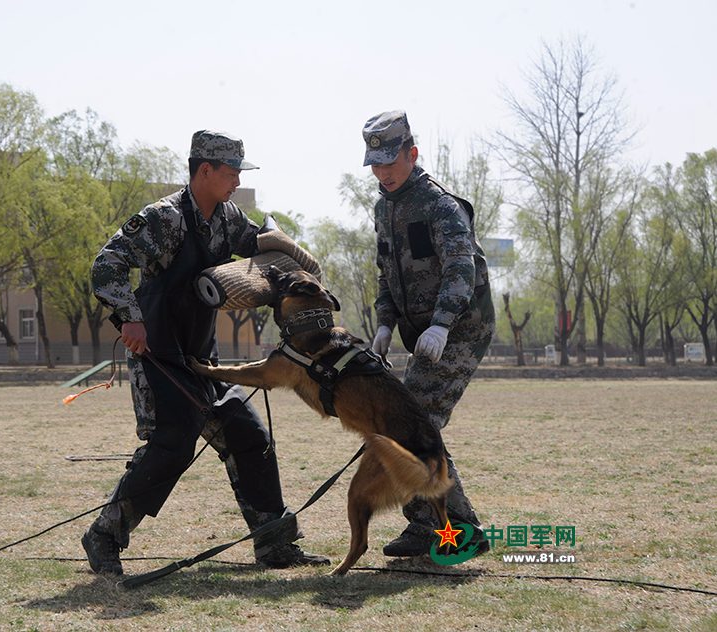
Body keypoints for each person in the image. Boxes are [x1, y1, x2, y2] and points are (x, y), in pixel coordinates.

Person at [82, 130, 329, 575]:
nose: (236, 180)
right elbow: (107, 263)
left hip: (202, 357)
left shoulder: (227, 217)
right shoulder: (163, 218)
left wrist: (285, 253)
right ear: (205, 170)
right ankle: (103, 536)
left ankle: (273, 545)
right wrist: (129, 316)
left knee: (249, 436)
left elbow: (257, 246)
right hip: (159, 353)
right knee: (172, 445)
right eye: (231, 172)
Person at [362, 110, 495, 557]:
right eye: (376, 164)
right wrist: (384, 322)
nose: (383, 172)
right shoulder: (384, 208)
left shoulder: (441, 205)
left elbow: (462, 267)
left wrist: (441, 322)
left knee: (412, 423)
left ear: (412, 154)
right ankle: (431, 526)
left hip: (461, 327)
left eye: (391, 163)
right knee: (411, 426)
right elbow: (386, 272)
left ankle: (454, 531)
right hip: (423, 332)